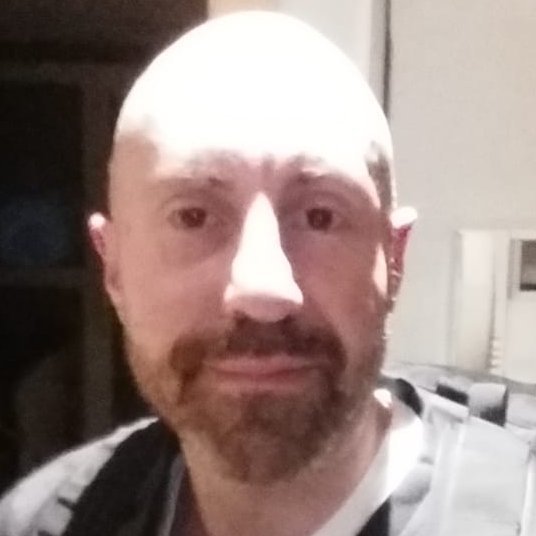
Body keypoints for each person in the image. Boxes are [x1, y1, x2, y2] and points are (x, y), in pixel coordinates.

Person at [0, 11, 532, 536]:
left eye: (320, 217)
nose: (262, 290)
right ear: (113, 267)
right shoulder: (41, 521)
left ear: (394, 257)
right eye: (193, 217)